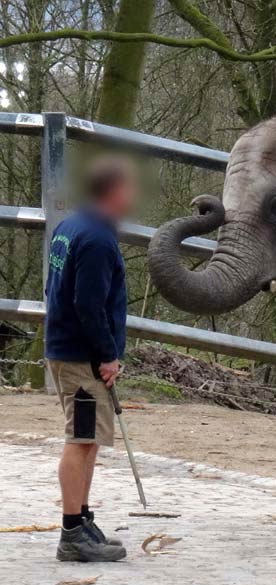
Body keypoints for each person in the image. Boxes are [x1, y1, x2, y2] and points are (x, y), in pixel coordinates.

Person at [45, 156, 136, 562]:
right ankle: (71, 534)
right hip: (83, 357)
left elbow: (55, 290)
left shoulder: (69, 227)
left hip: (67, 349)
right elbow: (88, 303)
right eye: (129, 189)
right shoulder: (97, 239)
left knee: (89, 439)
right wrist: (107, 355)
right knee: (80, 440)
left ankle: (82, 521)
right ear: (115, 192)